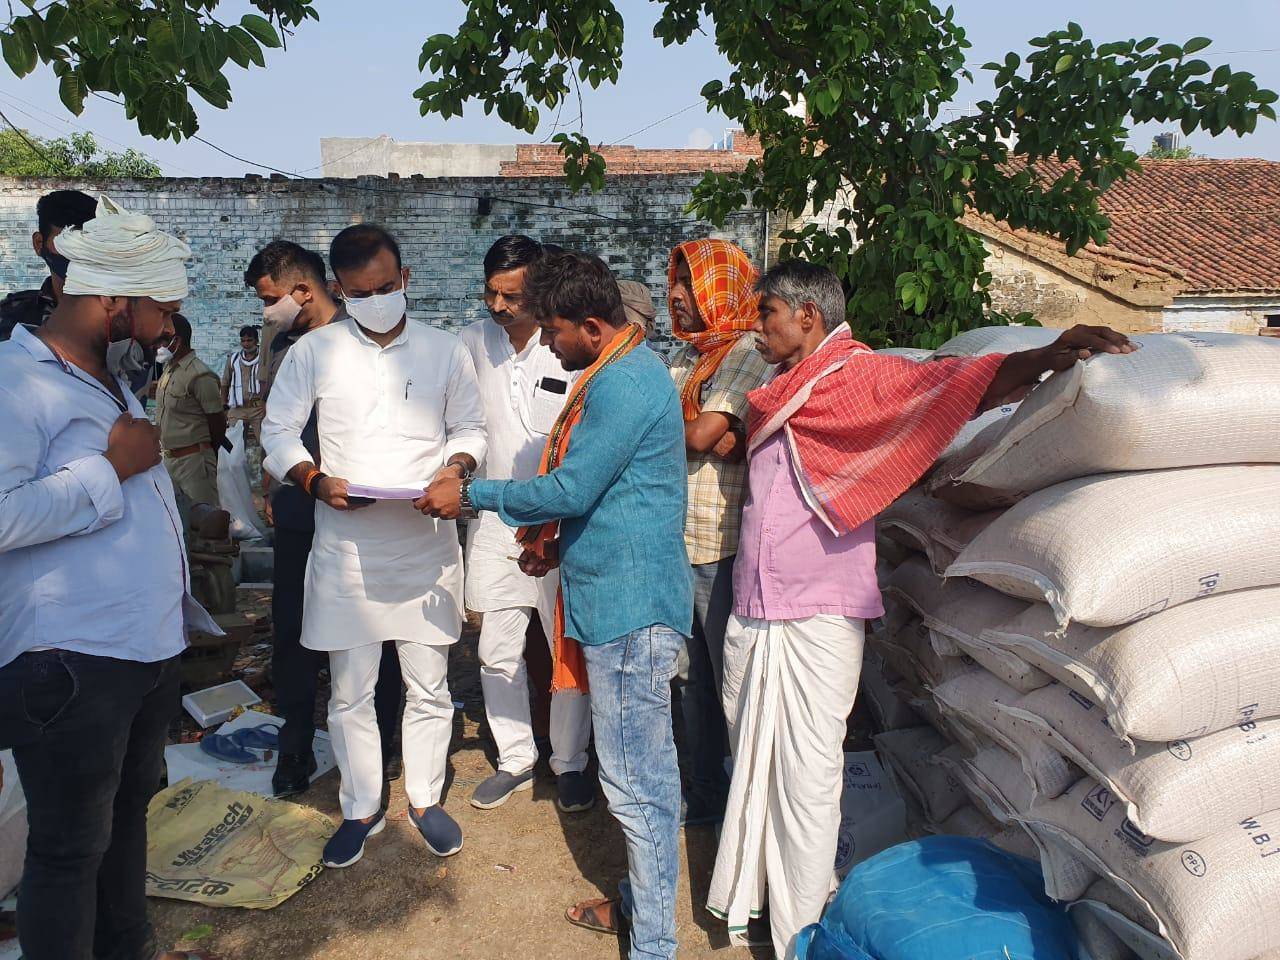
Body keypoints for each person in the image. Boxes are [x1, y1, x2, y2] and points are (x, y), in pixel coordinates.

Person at [707, 259, 1136, 959]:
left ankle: (799, 934)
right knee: (753, 755)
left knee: (809, 774)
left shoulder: (857, 377)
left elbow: (947, 385)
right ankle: (758, 901)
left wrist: (1050, 352)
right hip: (760, 605)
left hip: (816, 608)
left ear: (806, 316)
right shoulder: (782, 390)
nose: (759, 328)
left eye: (767, 315)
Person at [422, 249, 692, 960]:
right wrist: (554, 541)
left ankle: (656, 943)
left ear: (593, 326)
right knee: (638, 772)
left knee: (637, 782)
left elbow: (572, 489)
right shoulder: (617, 370)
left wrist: (475, 495)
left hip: (630, 607)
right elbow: (594, 496)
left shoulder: (624, 385)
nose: (547, 343)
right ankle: (644, 899)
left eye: (556, 332)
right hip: (615, 593)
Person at [0, 195, 219, 960]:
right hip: (68, 662)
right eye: (162, 306)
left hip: (138, 654)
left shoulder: (109, 379)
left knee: (125, 831)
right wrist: (108, 470)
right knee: (67, 853)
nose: (169, 323)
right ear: (113, 299)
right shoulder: (13, 383)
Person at [261, 224, 486, 868]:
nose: (378, 299)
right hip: (346, 547)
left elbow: (469, 427)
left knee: (430, 684)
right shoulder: (314, 353)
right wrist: (314, 479)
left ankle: (424, 797)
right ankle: (361, 805)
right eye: (363, 293)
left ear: (405, 280)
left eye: (388, 287)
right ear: (340, 291)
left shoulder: (444, 351)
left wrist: (457, 468)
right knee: (351, 690)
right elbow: (278, 434)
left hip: (424, 542)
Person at [245, 239, 405, 799]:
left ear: (304, 290)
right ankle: (295, 745)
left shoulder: (369, 342)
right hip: (301, 511)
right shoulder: (283, 345)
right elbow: (274, 427)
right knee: (293, 631)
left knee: (375, 628)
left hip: (366, 512)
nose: (266, 312)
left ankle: (384, 739)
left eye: (271, 300)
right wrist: (280, 483)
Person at [459, 235, 596, 813]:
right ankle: (516, 756)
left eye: (511, 295)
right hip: (494, 520)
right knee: (496, 647)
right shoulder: (470, 345)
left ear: (538, 290)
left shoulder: (566, 346)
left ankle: (570, 763)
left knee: (566, 644)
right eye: (490, 293)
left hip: (561, 520)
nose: (498, 307)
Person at [665, 238, 771, 828]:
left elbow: (701, 436)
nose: (676, 298)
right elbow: (693, 433)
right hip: (677, 541)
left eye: (690, 285)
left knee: (729, 681)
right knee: (688, 681)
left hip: (720, 546)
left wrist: (706, 434)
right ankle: (702, 794)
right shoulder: (686, 360)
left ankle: (740, 804)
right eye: (675, 284)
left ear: (721, 289)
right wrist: (701, 432)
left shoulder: (747, 352)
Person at [0, 189, 97, 340]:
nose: (78, 254)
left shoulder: (127, 316)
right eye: (66, 243)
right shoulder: (9, 317)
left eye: (88, 244)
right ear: (39, 244)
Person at [154, 313, 225, 509]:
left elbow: (217, 422)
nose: (158, 345)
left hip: (194, 462)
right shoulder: (170, 369)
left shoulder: (200, 375)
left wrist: (207, 454)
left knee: (203, 521)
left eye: (163, 340)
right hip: (168, 460)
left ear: (177, 340)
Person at [221, 324, 264, 444]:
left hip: (258, 408)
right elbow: (225, 382)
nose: (246, 344)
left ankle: (265, 463)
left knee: (265, 443)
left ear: (256, 341)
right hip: (237, 408)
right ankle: (236, 464)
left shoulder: (263, 359)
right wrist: (224, 405)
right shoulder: (233, 359)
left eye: (249, 340)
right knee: (234, 446)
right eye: (243, 340)